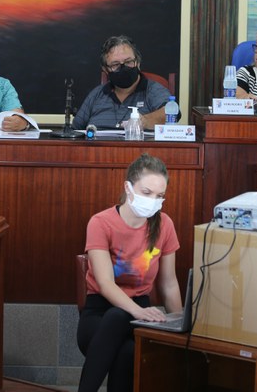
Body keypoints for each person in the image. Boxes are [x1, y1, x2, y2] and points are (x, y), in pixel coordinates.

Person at [76, 153, 182, 392]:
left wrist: (178, 327)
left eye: (160, 196)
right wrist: (138, 311)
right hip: (99, 313)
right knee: (119, 325)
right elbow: (105, 284)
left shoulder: (165, 225)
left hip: (140, 315)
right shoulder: (100, 222)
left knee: (128, 350)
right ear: (128, 187)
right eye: (147, 192)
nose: (153, 201)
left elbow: (169, 284)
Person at [73, 36, 171, 130]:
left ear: (138, 63)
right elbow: (74, 131)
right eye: (115, 64)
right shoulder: (97, 94)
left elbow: (171, 112)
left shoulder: (153, 89)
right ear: (106, 69)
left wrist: (144, 121)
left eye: (128, 62)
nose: (123, 68)